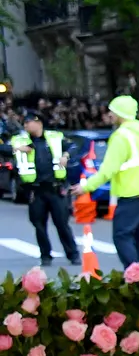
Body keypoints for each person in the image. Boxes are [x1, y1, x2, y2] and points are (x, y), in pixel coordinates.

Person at [75, 96, 139, 271]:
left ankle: (135, 274)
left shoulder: (121, 136)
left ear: (120, 113)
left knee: (121, 235)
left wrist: (86, 186)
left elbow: (108, 169)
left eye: (112, 111)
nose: (110, 115)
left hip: (131, 190)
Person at [10, 110, 80, 266]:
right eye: (25, 123)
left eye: (29, 122)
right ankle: (45, 255)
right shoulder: (20, 140)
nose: (26, 125)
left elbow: (74, 145)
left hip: (55, 188)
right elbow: (5, 149)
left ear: (38, 122)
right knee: (39, 225)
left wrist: (66, 155)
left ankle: (73, 254)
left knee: (62, 223)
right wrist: (17, 149)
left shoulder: (55, 138)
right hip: (36, 190)